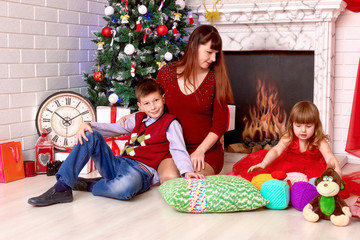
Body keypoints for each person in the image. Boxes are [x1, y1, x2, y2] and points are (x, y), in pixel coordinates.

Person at [28, 78, 204, 206]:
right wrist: (88, 124)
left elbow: (178, 149)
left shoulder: (170, 123)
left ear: (163, 98)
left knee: (125, 189)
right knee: (89, 134)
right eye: (147, 103)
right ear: (140, 106)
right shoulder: (138, 119)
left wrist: (186, 171)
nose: (153, 106)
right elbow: (114, 128)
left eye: (156, 100)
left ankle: (92, 184)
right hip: (119, 163)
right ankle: (62, 187)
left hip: (141, 172)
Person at [120, 25, 234, 183]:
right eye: (209, 52)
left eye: (216, 54)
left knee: (190, 182)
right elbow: (155, 104)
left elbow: (220, 124)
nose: (213, 59)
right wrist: (134, 116)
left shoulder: (216, 79)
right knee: (169, 179)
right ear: (194, 46)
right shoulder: (166, 73)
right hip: (172, 147)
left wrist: (200, 151)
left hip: (205, 150)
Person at [232, 101, 341, 181]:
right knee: (275, 178)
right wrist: (264, 163)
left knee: (317, 183)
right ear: (292, 124)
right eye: (298, 126)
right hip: (288, 164)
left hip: (312, 168)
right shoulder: (289, 137)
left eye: (308, 126)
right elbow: (276, 151)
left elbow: (330, 157)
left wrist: (338, 174)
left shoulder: (319, 141)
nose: (303, 130)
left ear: (316, 126)